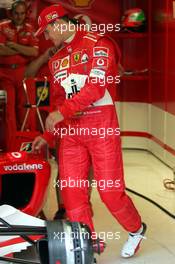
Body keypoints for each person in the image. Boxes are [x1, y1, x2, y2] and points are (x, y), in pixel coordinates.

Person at [32, 4, 147, 258]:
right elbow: (57, 106)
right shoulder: (55, 61)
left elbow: (96, 87)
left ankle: (136, 229)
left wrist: (62, 112)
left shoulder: (99, 43)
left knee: (110, 192)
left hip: (101, 128)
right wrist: (48, 135)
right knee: (72, 195)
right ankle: (87, 246)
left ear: (57, 24)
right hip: (71, 134)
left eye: (47, 32)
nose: (47, 38)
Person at [0, 0, 39, 131]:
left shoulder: (30, 28)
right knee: (8, 108)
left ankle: (23, 139)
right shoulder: (2, 26)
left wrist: (15, 46)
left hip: (23, 72)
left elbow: (34, 51)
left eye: (22, 13)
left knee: (24, 107)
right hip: (5, 74)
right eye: (16, 13)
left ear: (26, 13)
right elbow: (1, 50)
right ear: (11, 13)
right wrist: (24, 49)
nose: (19, 17)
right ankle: (10, 142)